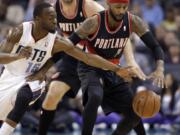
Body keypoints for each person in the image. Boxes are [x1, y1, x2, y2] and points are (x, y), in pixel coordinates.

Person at [0, 3, 136, 135]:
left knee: (25, 95)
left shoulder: (58, 40)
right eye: (50, 18)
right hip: (9, 76)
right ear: (37, 19)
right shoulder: (20, 31)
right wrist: (17, 56)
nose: (55, 21)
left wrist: (117, 68)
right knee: (5, 113)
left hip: (35, 78)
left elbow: (88, 57)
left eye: (55, 18)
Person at [38, 0, 146, 134]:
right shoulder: (53, 10)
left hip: (98, 57)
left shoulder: (89, 7)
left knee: (127, 104)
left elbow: (121, 33)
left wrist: (131, 61)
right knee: (52, 94)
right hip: (74, 56)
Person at [68, 0, 165, 134]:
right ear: (108, 4)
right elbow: (68, 44)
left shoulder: (133, 21)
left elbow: (155, 46)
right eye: (117, 7)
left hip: (114, 69)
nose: (121, 11)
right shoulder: (94, 22)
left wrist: (160, 68)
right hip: (90, 66)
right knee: (95, 95)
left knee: (135, 113)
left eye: (124, 7)